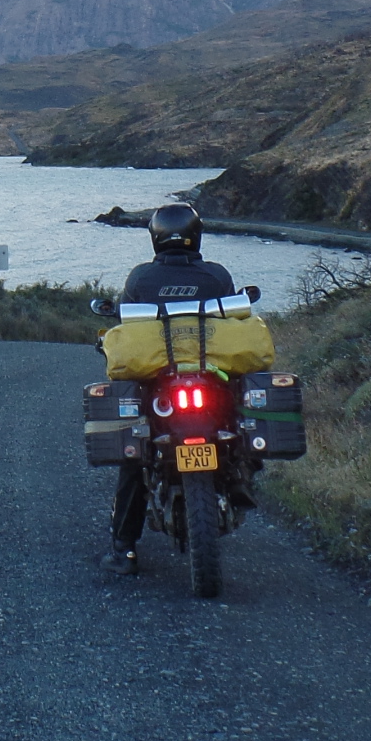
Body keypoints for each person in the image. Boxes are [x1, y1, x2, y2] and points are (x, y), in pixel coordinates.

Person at [104, 202, 239, 576]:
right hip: (210, 379)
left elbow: (124, 324)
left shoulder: (140, 278)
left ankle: (123, 548)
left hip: (162, 386)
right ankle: (239, 478)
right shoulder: (217, 275)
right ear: (196, 236)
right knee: (237, 415)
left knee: (136, 457)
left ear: (156, 238)